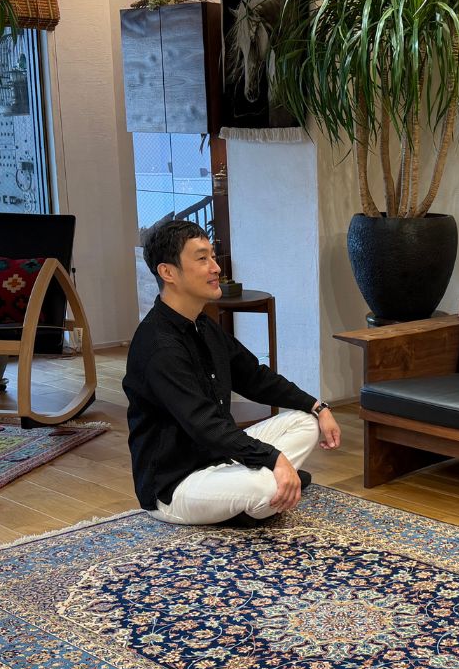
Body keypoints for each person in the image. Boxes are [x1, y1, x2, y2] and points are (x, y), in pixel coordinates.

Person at [125, 220, 341, 524]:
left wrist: (318, 406)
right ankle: (266, 490)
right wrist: (274, 459)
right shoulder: (159, 347)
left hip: (218, 458)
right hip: (177, 484)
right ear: (168, 272)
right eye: (202, 258)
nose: (216, 268)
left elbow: (255, 377)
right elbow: (205, 425)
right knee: (265, 486)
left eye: (213, 257)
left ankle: (262, 488)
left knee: (306, 422)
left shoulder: (202, 324)